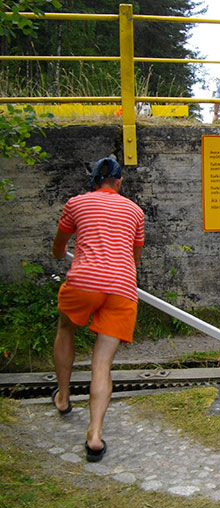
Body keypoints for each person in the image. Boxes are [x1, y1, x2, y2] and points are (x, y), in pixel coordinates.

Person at [51, 155, 145, 462]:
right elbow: (134, 259)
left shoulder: (76, 203)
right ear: (119, 182)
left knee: (66, 329)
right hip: (122, 288)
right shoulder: (135, 211)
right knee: (102, 364)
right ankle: (94, 434)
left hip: (84, 282)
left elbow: (58, 248)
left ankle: (64, 399)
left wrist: (64, 252)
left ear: (93, 180)